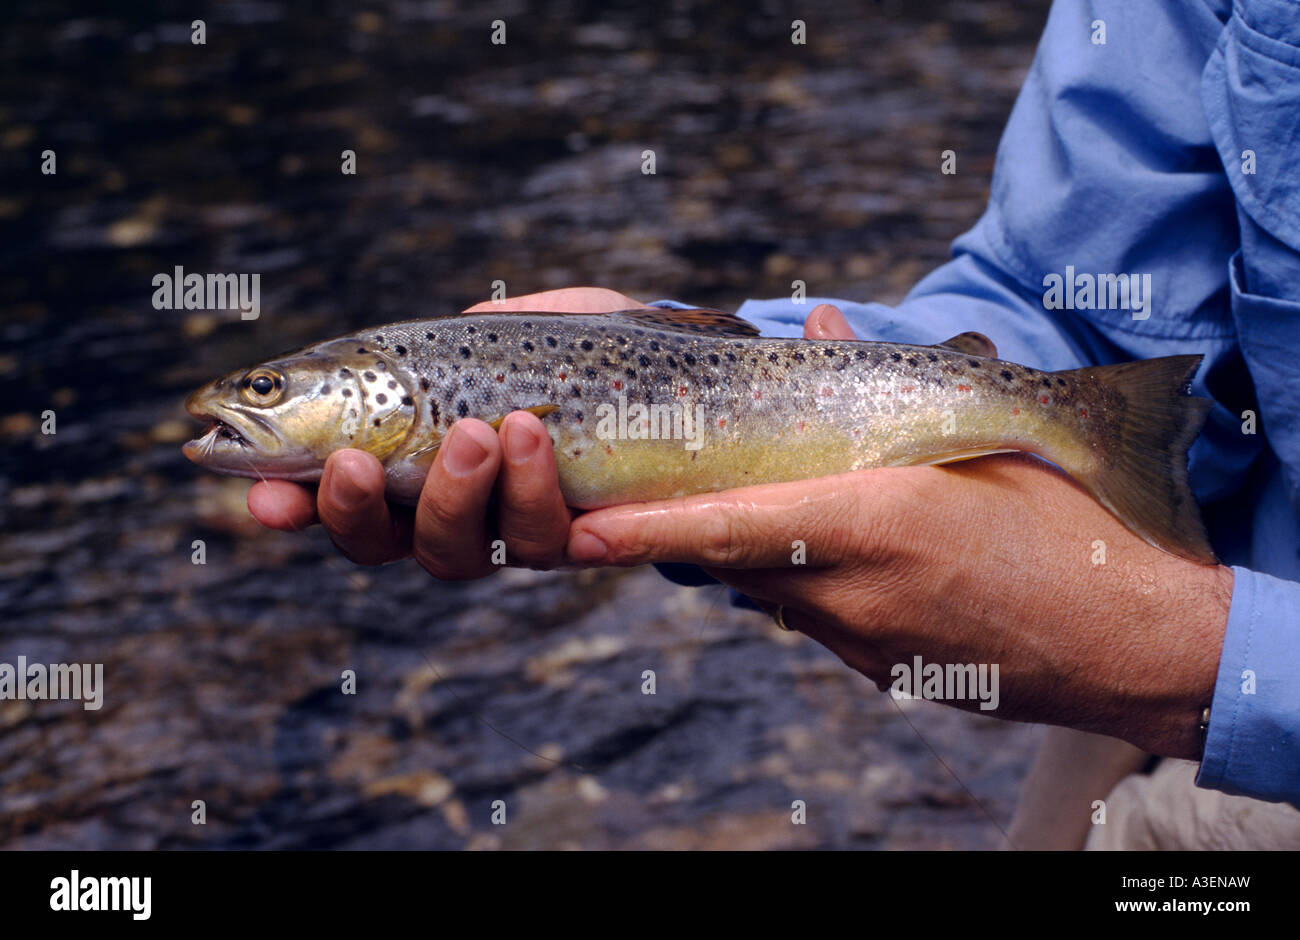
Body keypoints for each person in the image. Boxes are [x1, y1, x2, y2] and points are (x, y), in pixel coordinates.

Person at [247, 1, 1300, 847]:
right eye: (264, 394)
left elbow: (1188, 655)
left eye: (263, 396)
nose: (241, 413)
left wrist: (1194, 657)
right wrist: (741, 353)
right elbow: (1077, 303)